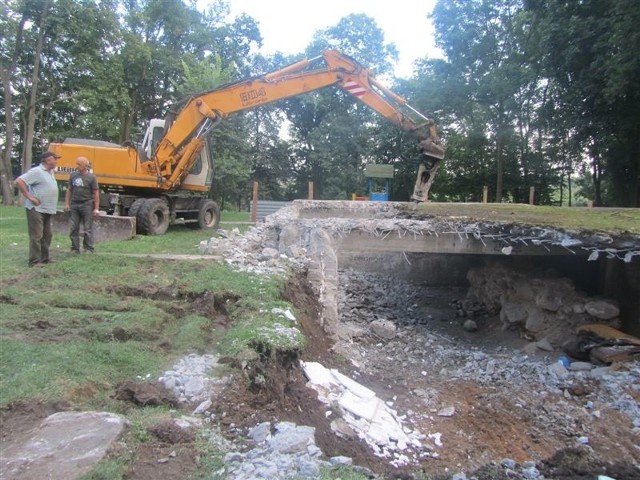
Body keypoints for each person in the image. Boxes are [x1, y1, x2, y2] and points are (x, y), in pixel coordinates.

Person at [15, 151, 61, 267]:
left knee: (47, 235)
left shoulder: (50, 172)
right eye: (55, 159)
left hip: (47, 209)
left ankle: (44, 259)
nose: (56, 161)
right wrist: (29, 196)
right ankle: (34, 261)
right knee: (37, 235)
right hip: (36, 209)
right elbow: (19, 181)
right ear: (48, 160)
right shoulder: (37, 171)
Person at [64, 156, 100, 254]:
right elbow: (69, 190)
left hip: (87, 204)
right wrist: (67, 203)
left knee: (87, 228)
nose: (77, 166)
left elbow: (96, 193)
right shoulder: (73, 175)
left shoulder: (92, 177)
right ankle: (75, 248)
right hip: (74, 204)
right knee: (73, 227)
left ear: (85, 166)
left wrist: (96, 208)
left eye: (79, 164)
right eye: (77, 164)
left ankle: (88, 248)